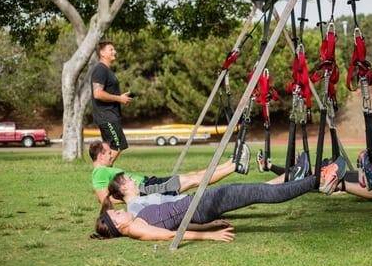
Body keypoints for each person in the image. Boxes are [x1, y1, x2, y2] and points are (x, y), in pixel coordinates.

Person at [92, 156, 347, 241]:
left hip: (200, 206)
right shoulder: (136, 227)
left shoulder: (137, 218)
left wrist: (207, 225)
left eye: (115, 211)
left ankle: (309, 178)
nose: (118, 212)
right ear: (118, 227)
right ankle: (318, 181)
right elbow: (172, 234)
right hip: (202, 204)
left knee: (257, 191)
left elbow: (173, 224)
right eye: (115, 216)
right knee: (260, 192)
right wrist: (209, 235)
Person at [90, 141, 250, 204]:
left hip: (148, 183)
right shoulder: (99, 172)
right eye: (108, 152)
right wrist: (131, 198)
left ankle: (230, 163)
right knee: (192, 180)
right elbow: (104, 199)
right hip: (147, 189)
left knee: (193, 175)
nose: (112, 153)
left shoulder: (105, 170)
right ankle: (236, 167)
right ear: (100, 155)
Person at [91, 40, 132, 164]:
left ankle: (106, 179)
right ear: (102, 53)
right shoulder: (100, 69)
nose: (115, 52)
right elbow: (97, 93)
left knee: (109, 149)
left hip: (109, 116)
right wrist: (119, 98)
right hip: (106, 116)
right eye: (111, 49)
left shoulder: (106, 70)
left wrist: (120, 97)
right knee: (117, 146)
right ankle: (103, 175)